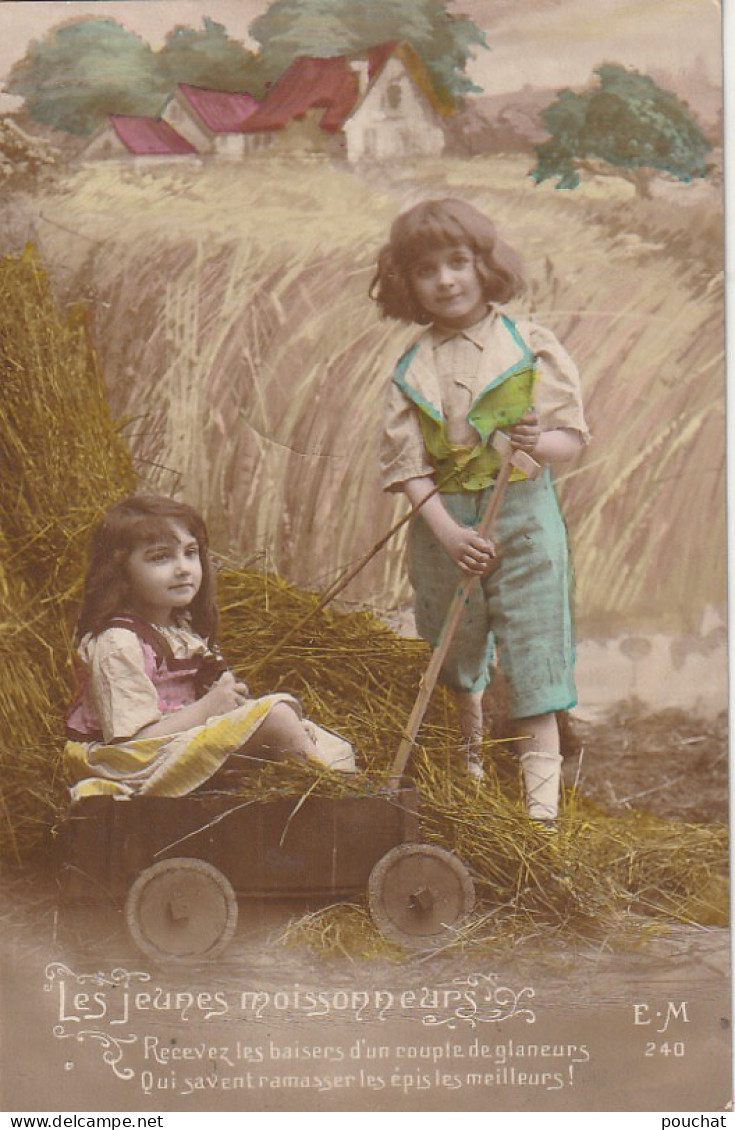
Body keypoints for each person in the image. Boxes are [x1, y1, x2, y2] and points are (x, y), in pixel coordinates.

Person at [372, 198, 589, 825]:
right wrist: (446, 531)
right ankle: (466, 782)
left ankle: (540, 818)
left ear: (483, 265)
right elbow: (407, 466)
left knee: (533, 652)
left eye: (458, 262)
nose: (445, 281)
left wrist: (533, 443)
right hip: (444, 526)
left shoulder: (530, 347)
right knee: (454, 649)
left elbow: (568, 440)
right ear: (405, 283)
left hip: (522, 517)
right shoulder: (413, 367)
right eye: (426, 270)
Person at [64, 493, 355, 800]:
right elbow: (132, 741)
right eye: (160, 557)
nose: (183, 568)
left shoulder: (179, 629)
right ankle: (333, 802)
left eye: (190, 553)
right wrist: (210, 708)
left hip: (172, 746)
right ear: (120, 571)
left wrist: (226, 700)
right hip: (129, 762)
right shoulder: (118, 642)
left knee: (327, 741)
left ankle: (346, 799)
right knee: (277, 718)